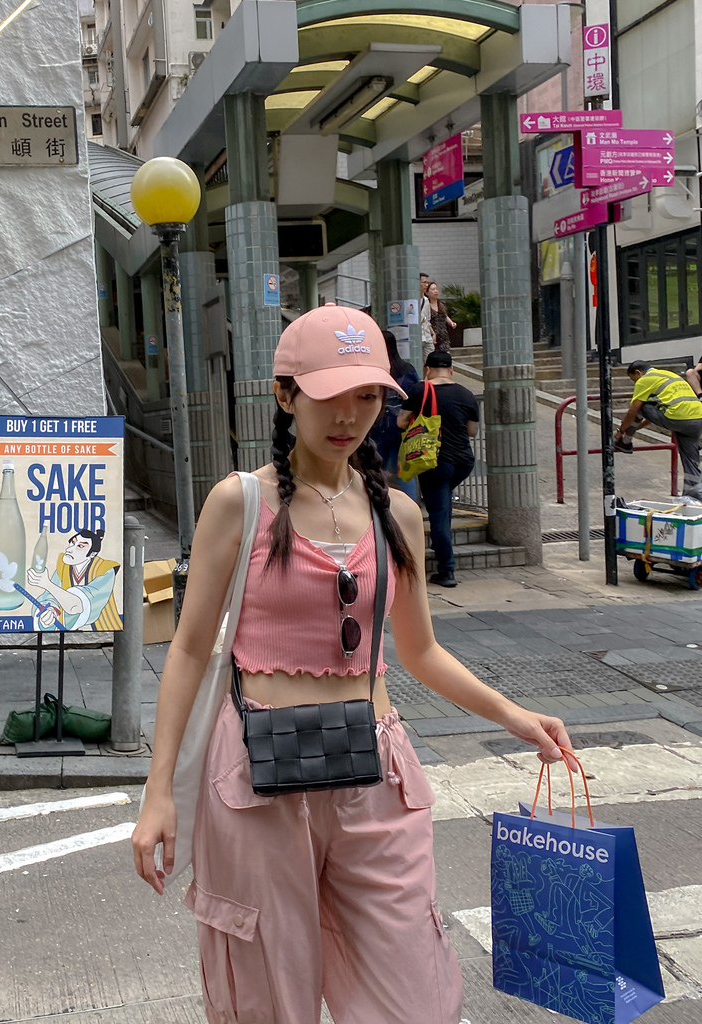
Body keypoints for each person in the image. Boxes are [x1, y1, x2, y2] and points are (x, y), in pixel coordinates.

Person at [132, 304, 574, 1024]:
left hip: (375, 771)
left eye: (368, 394)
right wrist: (159, 792)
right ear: (285, 395)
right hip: (254, 775)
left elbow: (421, 650)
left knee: (414, 997)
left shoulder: (396, 513)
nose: (351, 414)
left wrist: (516, 717)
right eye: (330, 394)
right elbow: (187, 648)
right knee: (269, 992)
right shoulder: (240, 504)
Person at [398, 351, 479, 588]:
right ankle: (440, 549)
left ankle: (447, 570)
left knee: (440, 513)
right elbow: (471, 431)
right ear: (452, 370)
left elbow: (401, 422)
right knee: (441, 503)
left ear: (427, 369)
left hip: (434, 461)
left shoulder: (420, 390)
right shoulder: (467, 394)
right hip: (463, 463)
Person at [615, 361, 702, 500]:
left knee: (641, 405)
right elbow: (655, 414)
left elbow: (633, 410)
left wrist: (620, 431)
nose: (635, 383)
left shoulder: (645, 380)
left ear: (638, 372)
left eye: (634, 380)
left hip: (676, 417)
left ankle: (625, 442)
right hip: (697, 418)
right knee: (691, 461)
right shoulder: (668, 375)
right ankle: (694, 497)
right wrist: (636, 428)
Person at [27, 529, 122, 630]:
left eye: (80, 546)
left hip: (100, 629)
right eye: (72, 542)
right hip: (67, 629)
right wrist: (50, 611)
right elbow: (50, 596)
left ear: (92, 554)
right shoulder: (64, 567)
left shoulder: (105, 570)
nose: (69, 549)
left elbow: (76, 606)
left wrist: (47, 584)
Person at [369, 329, 420, 500]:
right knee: (404, 472)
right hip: (402, 427)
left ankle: (380, 508)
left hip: (377, 427)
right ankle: (410, 508)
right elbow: (415, 394)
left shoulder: (374, 370)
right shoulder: (407, 369)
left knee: (376, 470)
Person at [426, 281, 456, 353]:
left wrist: (451, 323)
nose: (435, 291)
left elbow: (445, 316)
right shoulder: (426, 305)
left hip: (443, 335)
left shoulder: (441, 304)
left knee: (445, 355)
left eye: (436, 289)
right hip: (433, 335)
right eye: (433, 289)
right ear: (427, 292)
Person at [419, 271, 433, 362]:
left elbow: (427, 319)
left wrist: (432, 333)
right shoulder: (412, 300)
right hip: (417, 336)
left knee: (429, 362)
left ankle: (425, 377)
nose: (426, 285)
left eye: (427, 283)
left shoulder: (426, 300)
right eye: (424, 282)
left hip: (427, 336)